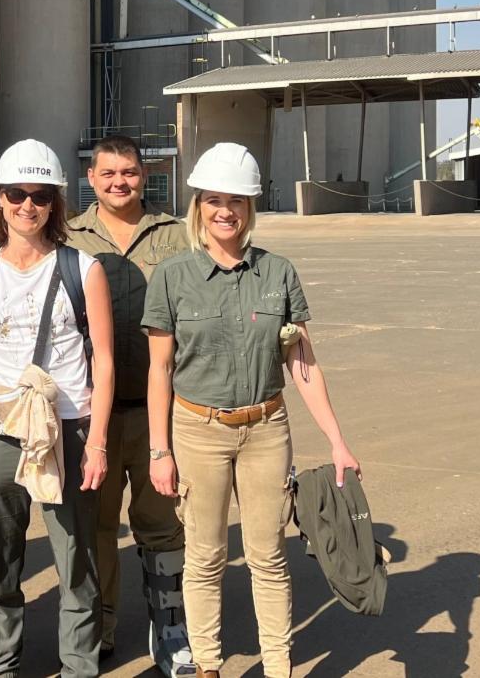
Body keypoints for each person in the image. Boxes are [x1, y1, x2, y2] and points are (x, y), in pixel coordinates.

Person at [143, 142, 362, 678]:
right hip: (198, 431)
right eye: (214, 200)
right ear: (198, 205)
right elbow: (160, 370)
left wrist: (337, 441)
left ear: (250, 207)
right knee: (205, 557)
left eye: (236, 201)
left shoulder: (278, 272)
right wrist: (159, 451)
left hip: (266, 429)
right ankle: (208, 666)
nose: (225, 211)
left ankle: (279, 667)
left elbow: (302, 363)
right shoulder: (172, 276)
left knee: (268, 556)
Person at [0, 139, 115, 678]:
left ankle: (79, 667)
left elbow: (104, 360)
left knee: (75, 558)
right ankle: (1, 664)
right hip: (0, 430)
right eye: (17, 194)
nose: (28, 205)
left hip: (67, 429)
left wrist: (97, 443)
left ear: (55, 203)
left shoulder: (83, 269)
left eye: (41, 195)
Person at [66, 135, 192, 675]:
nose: (120, 182)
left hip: (157, 410)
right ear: (90, 179)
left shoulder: (177, 235)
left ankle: (172, 630)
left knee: (161, 522)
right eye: (109, 173)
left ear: (145, 175)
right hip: (90, 413)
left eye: (130, 172)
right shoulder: (68, 235)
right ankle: (102, 625)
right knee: (95, 527)